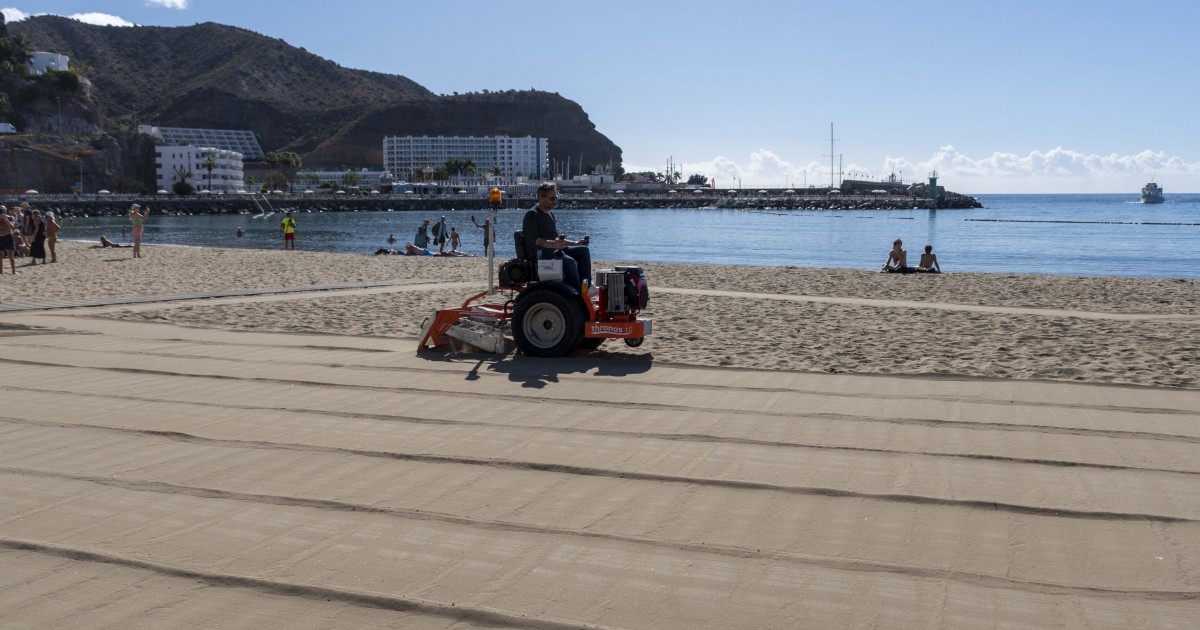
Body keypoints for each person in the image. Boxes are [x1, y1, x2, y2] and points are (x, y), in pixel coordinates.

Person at [522, 182, 591, 289]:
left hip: (552, 251)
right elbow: (535, 241)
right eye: (552, 198)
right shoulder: (532, 214)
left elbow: (557, 239)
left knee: (583, 250)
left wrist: (576, 243)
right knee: (569, 262)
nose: (555, 201)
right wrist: (553, 244)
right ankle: (577, 295)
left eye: (556, 197)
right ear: (541, 197)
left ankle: (586, 288)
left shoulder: (550, 214)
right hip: (540, 256)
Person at [0, 206, 16, 274]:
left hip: (8, 236)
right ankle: (0, 272)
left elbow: (12, 227)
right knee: (0, 255)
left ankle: (13, 271)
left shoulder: (10, 217)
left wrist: (5, 219)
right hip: (0, 237)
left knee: (10, 254)